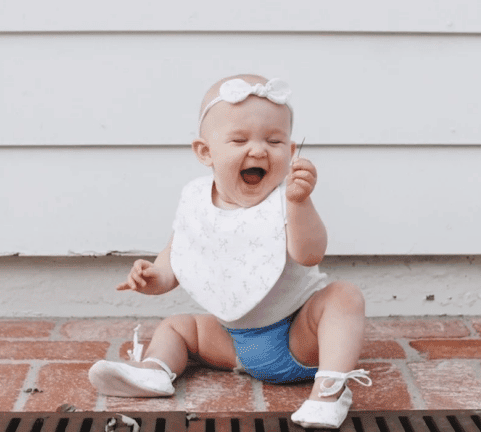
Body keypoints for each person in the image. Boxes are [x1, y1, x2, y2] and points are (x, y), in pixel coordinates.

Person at [88, 74, 371, 429]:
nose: (258, 149)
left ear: (291, 150)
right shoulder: (196, 201)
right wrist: (150, 278)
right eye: (239, 139)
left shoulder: (288, 199)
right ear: (205, 152)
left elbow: (309, 253)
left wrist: (301, 203)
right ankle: (156, 370)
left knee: (343, 296)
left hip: (296, 336)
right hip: (232, 345)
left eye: (274, 140)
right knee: (179, 326)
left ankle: (330, 390)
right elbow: (174, 261)